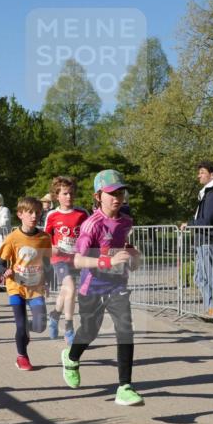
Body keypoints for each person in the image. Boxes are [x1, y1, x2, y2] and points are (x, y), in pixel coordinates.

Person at [60, 169, 144, 406]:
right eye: (111, 193)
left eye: (120, 192)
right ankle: (71, 357)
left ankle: (125, 387)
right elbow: (77, 260)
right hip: (92, 286)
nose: (117, 197)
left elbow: (126, 254)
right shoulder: (91, 225)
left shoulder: (126, 221)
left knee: (125, 332)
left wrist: (133, 257)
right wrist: (106, 261)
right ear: (98, 196)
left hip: (117, 286)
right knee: (90, 331)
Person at [0, 197, 52, 371]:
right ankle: (22, 357)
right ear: (20, 214)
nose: (34, 216)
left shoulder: (44, 237)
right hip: (16, 287)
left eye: (37, 212)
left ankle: (26, 330)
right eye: (30, 212)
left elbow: (47, 263)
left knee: (40, 325)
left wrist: (49, 282)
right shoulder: (13, 238)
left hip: (35, 288)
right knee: (20, 324)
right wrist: (4, 271)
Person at [179, 161, 213, 317]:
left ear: (212, 175)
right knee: (199, 277)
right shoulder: (207, 194)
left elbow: (208, 221)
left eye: (202, 172)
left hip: (210, 241)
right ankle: (211, 307)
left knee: (208, 275)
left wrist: (189, 224)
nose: (199, 175)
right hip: (203, 241)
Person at [44, 176, 88, 345]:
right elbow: (45, 238)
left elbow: (90, 234)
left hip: (77, 258)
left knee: (66, 291)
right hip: (59, 258)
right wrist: (50, 247)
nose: (69, 197)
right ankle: (69, 328)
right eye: (65, 193)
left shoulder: (82, 213)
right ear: (57, 196)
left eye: (71, 193)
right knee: (70, 289)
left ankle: (54, 315)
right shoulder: (52, 215)